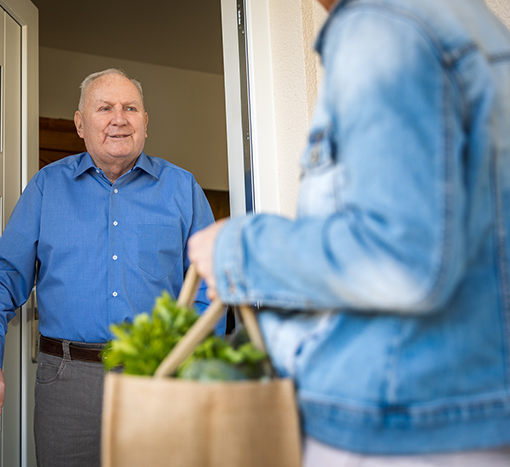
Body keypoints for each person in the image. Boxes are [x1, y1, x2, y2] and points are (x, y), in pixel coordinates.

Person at [188, 0, 510, 465]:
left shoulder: (382, 25)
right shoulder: (467, 22)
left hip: (397, 426)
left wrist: (237, 249)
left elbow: (401, 256)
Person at [0, 68, 219, 466]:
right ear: (80, 124)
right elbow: (2, 275)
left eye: (130, 107)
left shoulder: (181, 188)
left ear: (145, 123)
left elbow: (211, 286)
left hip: (157, 376)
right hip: (66, 382)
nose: (120, 118)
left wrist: (190, 360)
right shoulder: (47, 186)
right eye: (105, 108)